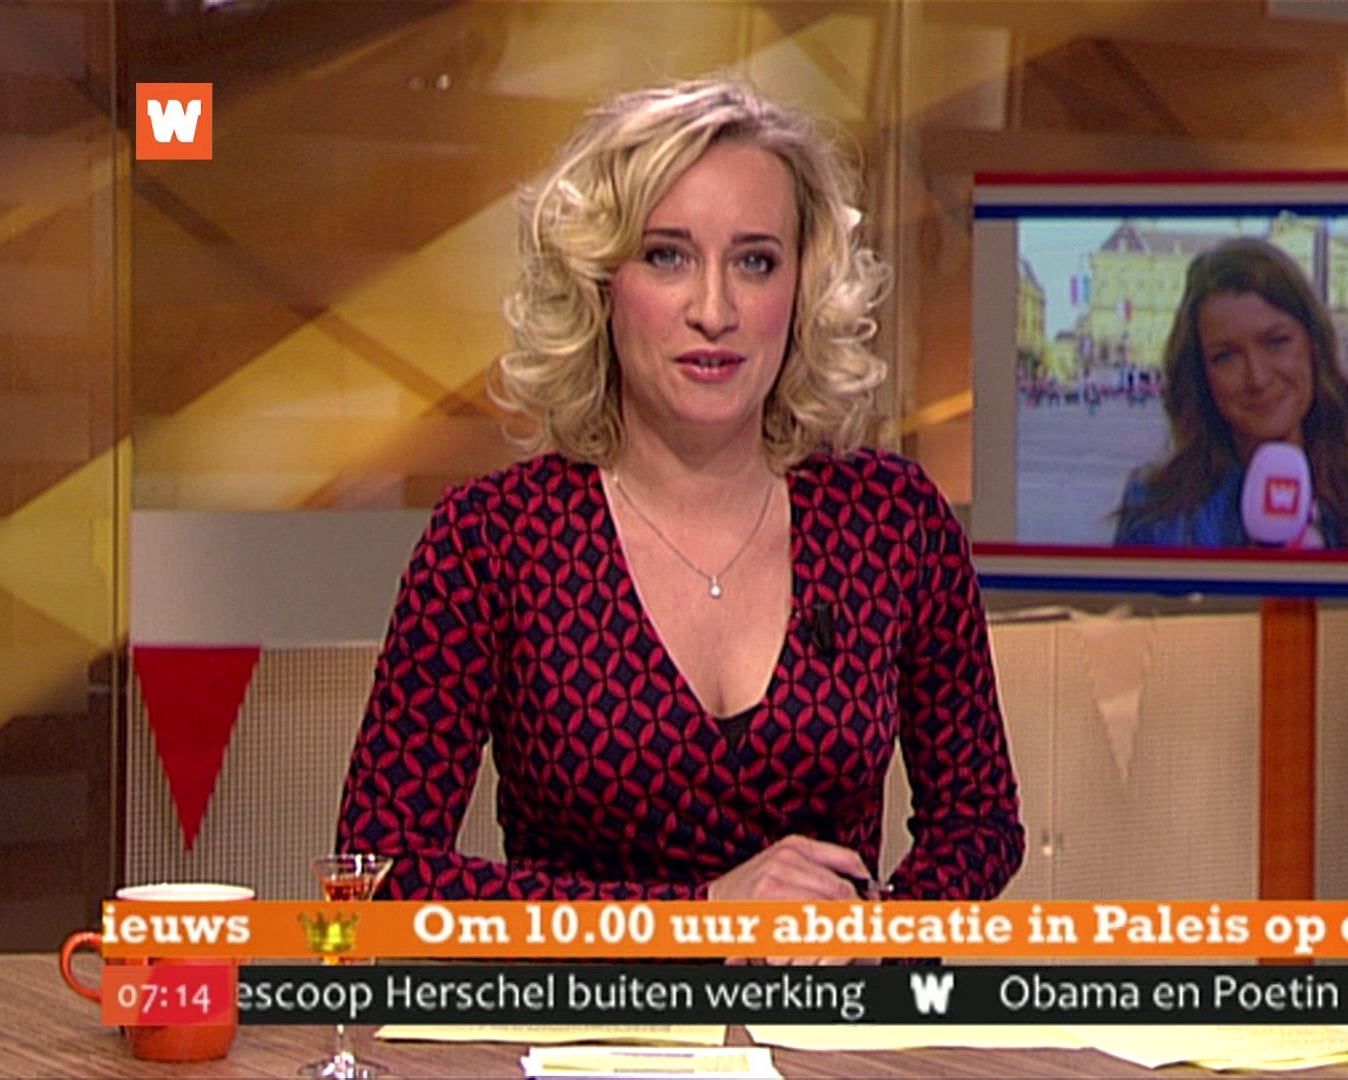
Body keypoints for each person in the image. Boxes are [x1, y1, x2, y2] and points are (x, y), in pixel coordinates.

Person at [335, 80, 1024, 921]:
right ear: (599, 281)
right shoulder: (493, 543)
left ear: (802, 289)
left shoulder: (890, 521)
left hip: (830, 1003)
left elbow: (980, 823)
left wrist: (879, 932)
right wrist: (695, 916)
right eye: (668, 257)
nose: (714, 310)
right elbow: (380, 871)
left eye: (755, 262)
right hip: (591, 1005)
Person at [1112, 240, 1348, 550]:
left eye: (1276, 342)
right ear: (1200, 375)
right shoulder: (1153, 508)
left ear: (1314, 345)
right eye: (1226, 357)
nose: (1258, 378)